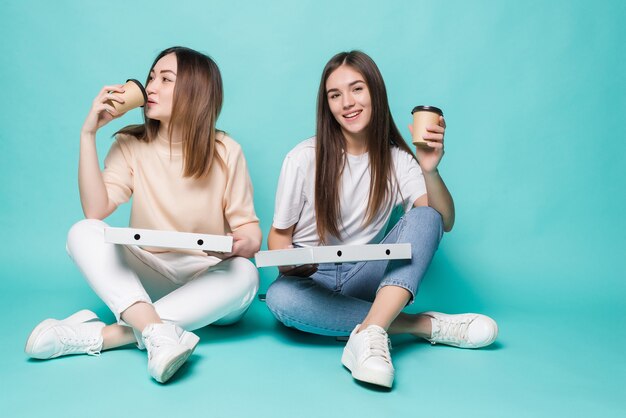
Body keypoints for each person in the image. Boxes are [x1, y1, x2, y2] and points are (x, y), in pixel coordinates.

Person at [24, 47, 261, 383]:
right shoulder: (130, 144)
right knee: (83, 231)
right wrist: (87, 134)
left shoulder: (226, 150)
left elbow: (251, 234)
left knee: (246, 273)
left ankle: (104, 336)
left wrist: (235, 246)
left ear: (195, 91)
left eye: (166, 80)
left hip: (209, 279)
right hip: (152, 277)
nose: (151, 87)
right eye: (151, 77)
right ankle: (155, 331)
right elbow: (96, 209)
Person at [265, 51, 498, 388]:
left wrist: (430, 170)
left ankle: (370, 334)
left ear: (375, 92)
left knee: (427, 214)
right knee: (280, 299)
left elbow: (442, 221)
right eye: (335, 95)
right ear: (327, 106)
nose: (347, 102)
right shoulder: (302, 158)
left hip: (366, 273)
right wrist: (289, 264)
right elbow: (278, 235)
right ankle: (421, 325)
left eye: (357, 89)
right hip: (312, 278)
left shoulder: (398, 160)